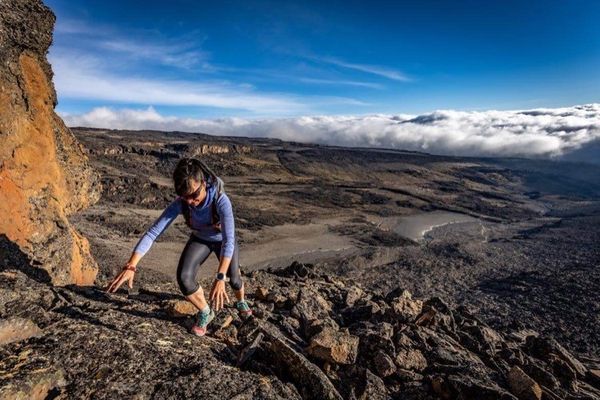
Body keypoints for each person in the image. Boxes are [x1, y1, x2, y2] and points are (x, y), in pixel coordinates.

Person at [106, 157, 252, 336]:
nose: (190, 201)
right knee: (184, 278)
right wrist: (131, 265)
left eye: (194, 195)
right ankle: (206, 311)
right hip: (201, 239)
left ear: (203, 183)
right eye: (185, 196)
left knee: (234, 278)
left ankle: (241, 301)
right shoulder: (181, 203)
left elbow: (229, 241)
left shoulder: (221, 200)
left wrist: (221, 277)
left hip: (223, 239)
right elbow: (153, 232)